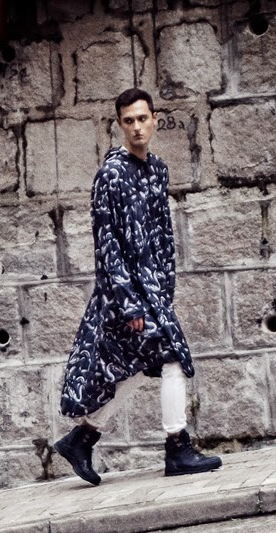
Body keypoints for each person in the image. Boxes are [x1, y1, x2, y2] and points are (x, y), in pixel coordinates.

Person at [54, 87, 222, 486]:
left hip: (153, 291)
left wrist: (164, 289)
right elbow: (106, 245)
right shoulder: (110, 175)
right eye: (128, 121)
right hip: (124, 295)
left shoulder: (157, 169)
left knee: (133, 365)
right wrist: (130, 304)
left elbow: (163, 234)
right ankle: (177, 448)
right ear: (120, 125)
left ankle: (81, 439)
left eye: (143, 118)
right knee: (172, 358)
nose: (137, 127)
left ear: (155, 120)